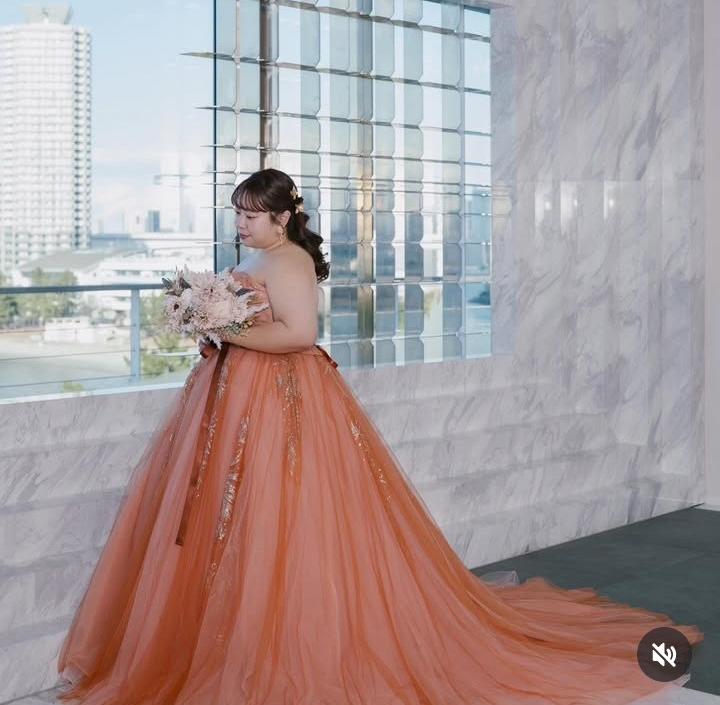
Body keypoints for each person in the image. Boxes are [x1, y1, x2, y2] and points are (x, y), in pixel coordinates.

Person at [55, 168, 703, 704]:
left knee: (285, 515)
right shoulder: (259, 256)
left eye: (251, 214)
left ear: (283, 217)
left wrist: (225, 328)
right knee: (235, 517)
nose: (241, 223)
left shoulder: (291, 262)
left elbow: (299, 336)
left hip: (280, 398)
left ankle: (290, 645)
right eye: (238, 213)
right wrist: (209, 321)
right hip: (235, 394)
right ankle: (231, 640)